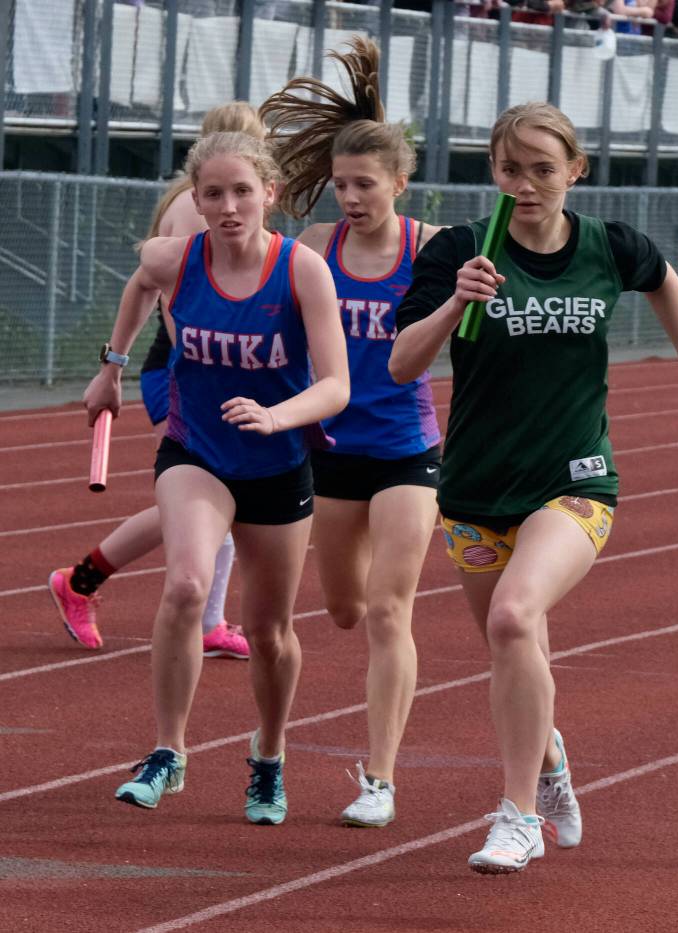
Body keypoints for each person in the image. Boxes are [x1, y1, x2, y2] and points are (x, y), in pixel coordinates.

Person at [390, 101, 678, 874]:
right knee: (515, 650)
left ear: (575, 170)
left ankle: (518, 816)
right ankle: (550, 761)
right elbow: (402, 364)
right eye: (511, 169)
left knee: (513, 616)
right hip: (476, 487)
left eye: (543, 169)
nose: (527, 184)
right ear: (493, 171)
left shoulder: (608, 245)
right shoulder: (460, 250)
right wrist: (455, 302)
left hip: (575, 480)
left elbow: (664, 280)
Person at [82, 130, 349, 823]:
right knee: (186, 584)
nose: (229, 206)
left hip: (276, 463)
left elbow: (337, 386)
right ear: (195, 200)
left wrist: (276, 415)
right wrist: (112, 367)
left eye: (241, 191)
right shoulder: (174, 258)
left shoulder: (302, 271)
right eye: (213, 194)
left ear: (270, 193)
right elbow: (141, 284)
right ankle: (168, 750)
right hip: (195, 450)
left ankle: (269, 754)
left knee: (270, 632)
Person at [258, 38, 443, 828]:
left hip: (407, 448)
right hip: (330, 452)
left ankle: (380, 778)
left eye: (365, 183)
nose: (351, 196)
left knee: (390, 610)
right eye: (340, 184)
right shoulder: (314, 250)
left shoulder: (429, 247)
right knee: (341, 609)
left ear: (399, 182)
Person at [48, 103, 269, 661]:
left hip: (197, 366)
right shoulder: (200, 210)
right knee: (209, 501)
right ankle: (88, 582)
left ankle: (93, 584)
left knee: (213, 504)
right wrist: (120, 367)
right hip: (186, 369)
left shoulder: (208, 202)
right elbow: (170, 295)